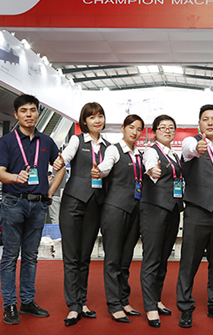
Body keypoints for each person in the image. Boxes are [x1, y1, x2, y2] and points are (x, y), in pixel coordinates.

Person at [0, 94, 62, 325]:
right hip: (13, 202)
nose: (29, 114)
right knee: (10, 256)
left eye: (33, 110)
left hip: (38, 204)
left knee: (31, 256)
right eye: (23, 110)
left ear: (38, 113)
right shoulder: (7, 141)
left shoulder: (47, 141)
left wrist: (50, 191)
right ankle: (9, 304)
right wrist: (15, 177)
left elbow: (61, 166)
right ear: (16, 114)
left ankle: (27, 301)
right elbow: (0, 173)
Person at [176, 105, 213, 328]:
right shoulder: (190, 143)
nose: (210, 123)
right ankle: (185, 306)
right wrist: (197, 147)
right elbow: (189, 150)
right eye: (205, 119)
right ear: (199, 123)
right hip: (197, 212)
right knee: (189, 262)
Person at [51, 102, 110, 326]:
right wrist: (59, 161)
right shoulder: (77, 140)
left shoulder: (108, 146)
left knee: (85, 257)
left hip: (95, 205)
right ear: (84, 121)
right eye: (92, 117)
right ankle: (73, 306)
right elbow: (65, 157)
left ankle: (82, 301)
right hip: (73, 203)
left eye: (100, 116)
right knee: (71, 257)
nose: (97, 120)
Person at [94, 114, 145, 323]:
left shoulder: (139, 154)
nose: (135, 132)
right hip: (115, 209)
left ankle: (124, 300)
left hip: (135, 210)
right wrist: (99, 171)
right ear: (123, 128)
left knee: (125, 260)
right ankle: (114, 304)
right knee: (113, 259)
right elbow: (106, 166)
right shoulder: (114, 150)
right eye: (131, 127)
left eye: (139, 129)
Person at [140, 114, 183, 328]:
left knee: (164, 258)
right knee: (152, 258)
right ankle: (149, 306)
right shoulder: (151, 151)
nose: (167, 130)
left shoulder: (174, 154)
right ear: (155, 131)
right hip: (154, 210)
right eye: (162, 127)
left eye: (171, 127)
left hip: (173, 210)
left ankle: (156, 299)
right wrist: (152, 170)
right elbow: (150, 166)